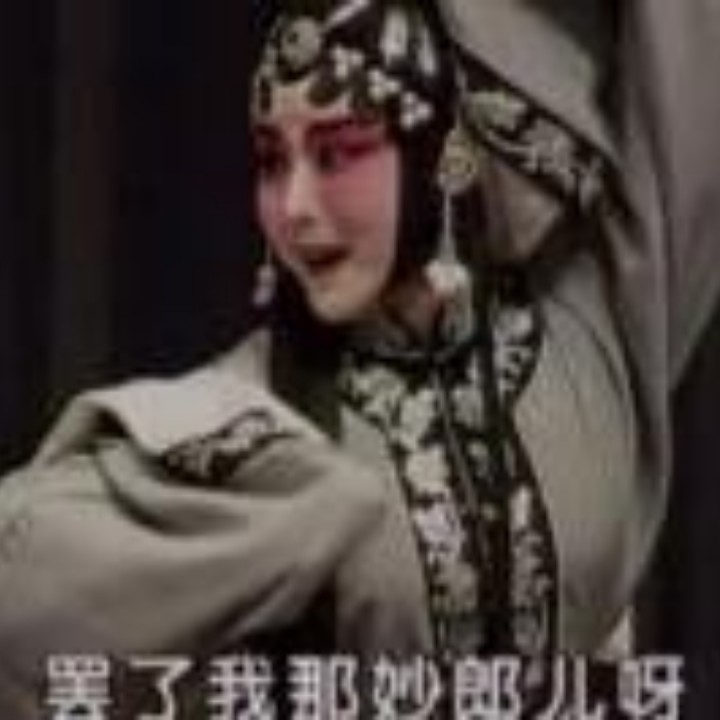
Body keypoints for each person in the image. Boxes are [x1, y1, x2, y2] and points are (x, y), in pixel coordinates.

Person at [2, 0, 720, 715]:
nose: (295, 206)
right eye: (272, 161)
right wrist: (290, 514)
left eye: (337, 153)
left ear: (442, 154)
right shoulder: (253, 426)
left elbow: (690, 60)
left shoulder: (585, 343)